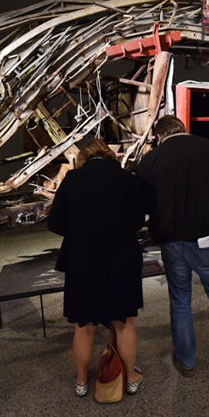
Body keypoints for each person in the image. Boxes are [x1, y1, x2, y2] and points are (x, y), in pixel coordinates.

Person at [137, 115, 209, 377]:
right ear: (183, 130)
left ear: (159, 136)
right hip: (208, 241)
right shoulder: (206, 148)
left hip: (172, 244)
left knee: (180, 302)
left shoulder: (151, 159)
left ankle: (186, 361)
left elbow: (142, 205)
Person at [48, 138, 145, 397]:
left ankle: (81, 380)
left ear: (84, 158)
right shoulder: (129, 180)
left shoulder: (73, 180)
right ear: (109, 157)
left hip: (82, 262)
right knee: (124, 323)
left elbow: (55, 222)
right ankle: (132, 376)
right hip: (122, 260)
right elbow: (138, 220)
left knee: (84, 325)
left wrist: (79, 231)